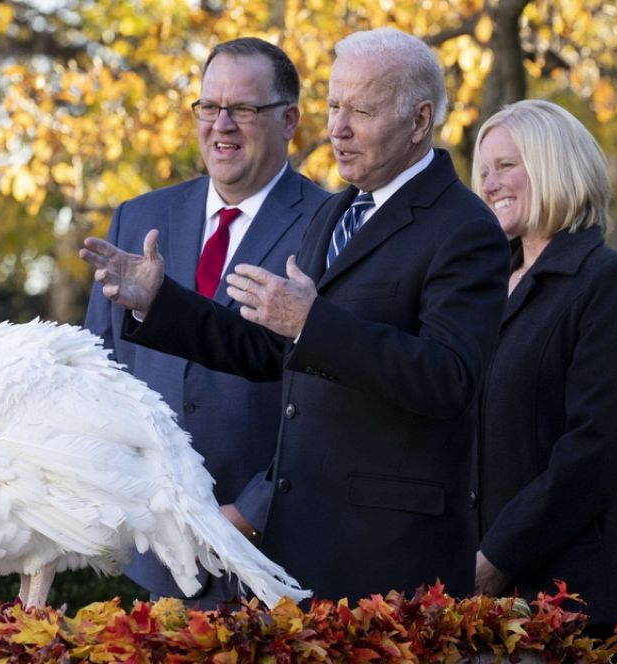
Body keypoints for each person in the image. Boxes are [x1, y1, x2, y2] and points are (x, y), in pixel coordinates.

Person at [80, 27, 509, 602]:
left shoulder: (465, 227)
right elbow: (269, 351)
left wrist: (313, 322)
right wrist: (160, 304)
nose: (337, 127)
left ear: (419, 120)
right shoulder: (339, 212)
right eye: (334, 106)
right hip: (308, 550)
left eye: (361, 109)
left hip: (391, 559)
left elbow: (451, 378)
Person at [83, 38, 330, 608]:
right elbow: (100, 373)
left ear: (289, 119)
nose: (222, 125)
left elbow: (333, 401)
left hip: (277, 554)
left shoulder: (329, 225)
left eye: (243, 109)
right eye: (208, 107)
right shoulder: (138, 218)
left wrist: (252, 511)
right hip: (157, 556)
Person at [470, 99, 617, 654]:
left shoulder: (611, 283)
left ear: (555, 166)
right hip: (488, 593)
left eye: (507, 165)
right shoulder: (483, 290)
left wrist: (499, 557)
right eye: (484, 170)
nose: (490, 183)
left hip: (581, 597)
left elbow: (596, 448)